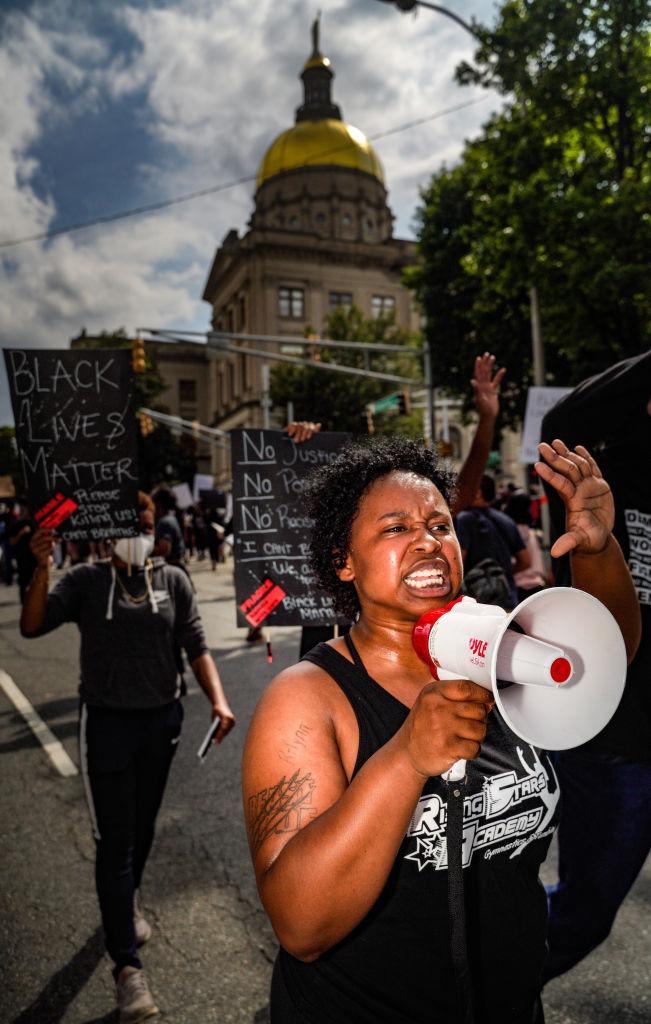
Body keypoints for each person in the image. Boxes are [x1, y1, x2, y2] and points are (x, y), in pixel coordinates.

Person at [241, 435, 640, 1024]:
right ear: (342, 561)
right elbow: (301, 926)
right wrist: (404, 758)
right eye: (396, 529)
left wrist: (600, 549)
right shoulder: (305, 698)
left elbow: (604, 657)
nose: (428, 541)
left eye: (440, 525)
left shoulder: (497, 646)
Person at [20, 492, 236, 1023]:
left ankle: (125, 903)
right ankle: (127, 970)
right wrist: (42, 566)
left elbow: (196, 642)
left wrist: (219, 698)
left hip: (161, 723)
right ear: (105, 533)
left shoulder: (174, 580)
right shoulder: (86, 582)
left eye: (146, 525)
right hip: (108, 726)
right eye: (130, 526)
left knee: (142, 830)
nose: (142, 534)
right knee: (114, 842)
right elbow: (32, 625)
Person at [540, 351, 651, 982]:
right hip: (617, 747)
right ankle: (472, 994)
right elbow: (563, 420)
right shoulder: (601, 484)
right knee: (583, 915)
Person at [455, 473, 530, 610]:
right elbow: (525, 561)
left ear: (477, 493)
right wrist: (501, 572)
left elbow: (458, 562)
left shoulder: (464, 519)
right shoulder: (506, 520)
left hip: (476, 603)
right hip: (508, 599)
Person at [504, 490, 547, 604]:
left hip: (519, 587)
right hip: (536, 585)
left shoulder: (511, 530)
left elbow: (525, 562)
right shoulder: (529, 531)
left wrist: (507, 572)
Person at [151, 487, 186, 568]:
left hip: (171, 568)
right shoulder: (169, 519)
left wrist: (144, 546)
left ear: (158, 504)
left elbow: (164, 551)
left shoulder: (164, 522)